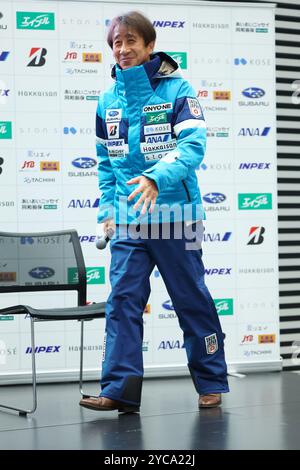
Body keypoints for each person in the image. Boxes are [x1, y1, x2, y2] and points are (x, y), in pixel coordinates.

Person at [79, 11, 229, 413]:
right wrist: (108, 212)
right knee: (122, 302)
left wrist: (154, 178)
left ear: (149, 45)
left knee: (191, 298)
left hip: (180, 218)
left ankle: (211, 380)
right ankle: (119, 390)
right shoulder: (108, 99)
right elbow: (106, 165)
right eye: (116, 42)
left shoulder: (178, 89)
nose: (123, 49)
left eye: (131, 41)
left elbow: (192, 147)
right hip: (129, 221)